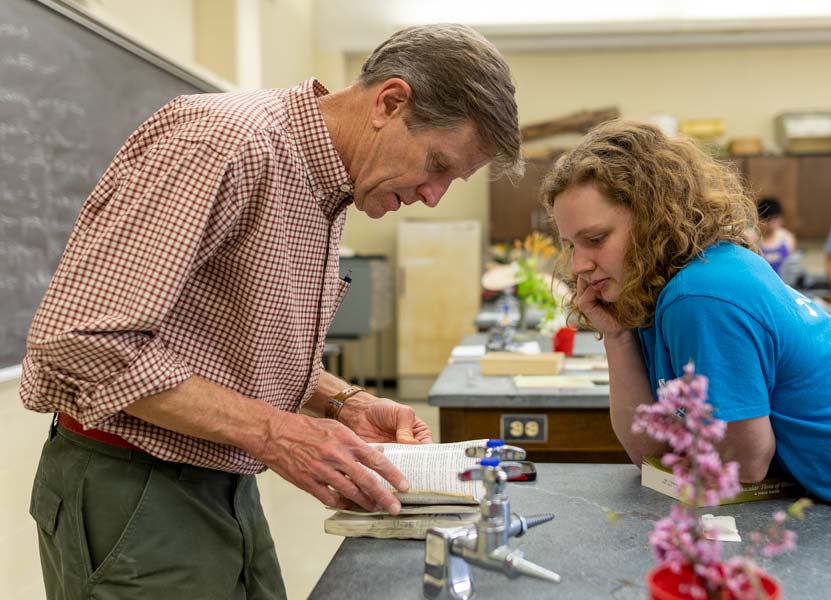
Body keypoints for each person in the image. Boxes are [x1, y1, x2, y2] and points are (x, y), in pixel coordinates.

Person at [21, 24, 522, 599]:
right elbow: (77, 339)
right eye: (437, 165)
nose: (433, 195)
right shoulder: (224, 144)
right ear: (389, 101)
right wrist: (276, 433)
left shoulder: (329, 182)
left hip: (223, 478)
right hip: (133, 485)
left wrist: (341, 402)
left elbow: (218, 341)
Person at [541, 120, 831, 511]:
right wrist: (617, 336)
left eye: (595, 240)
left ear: (652, 218)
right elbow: (652, 454)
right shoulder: (656, 287)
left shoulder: (700, 294)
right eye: (569, 244)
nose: (577, 265)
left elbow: (744, 464)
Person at [754, 196, 796, 276]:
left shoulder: (787, 238)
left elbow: (790, 266)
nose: (771, 223)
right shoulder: (752, 238)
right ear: (759, 219)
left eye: (775, 219)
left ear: (781, 218)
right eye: (767, 219)